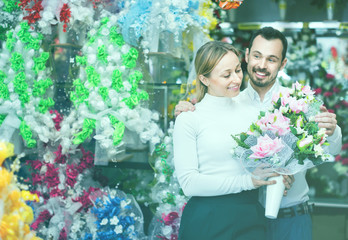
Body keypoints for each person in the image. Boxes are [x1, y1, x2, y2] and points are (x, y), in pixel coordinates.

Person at [174, 27, 342, 240]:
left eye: (271, 59)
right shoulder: (232, 101)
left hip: (291, 217)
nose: (262, 65)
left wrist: (332, 129)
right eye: (256, 56)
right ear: (246, 57)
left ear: (283, 64)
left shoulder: (298, 102)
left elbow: (331, 149)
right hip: (249, 216)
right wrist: (186, 110)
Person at [173, 41, 283, 240]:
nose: (236, 79)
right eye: (226, 75)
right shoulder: (189, 118)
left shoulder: (255, 114)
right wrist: (247, 181)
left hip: (250, 215)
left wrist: (280, 171)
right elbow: (189, 183)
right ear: (204, 79)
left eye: (238, 70)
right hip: (208, 218)